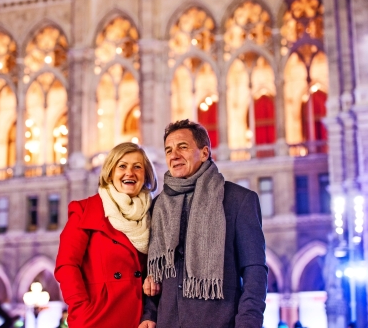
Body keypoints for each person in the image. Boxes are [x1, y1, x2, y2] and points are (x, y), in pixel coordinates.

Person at [140, 119, 267, 328]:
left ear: (205, 153)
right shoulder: (158, 206)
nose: (174, 155)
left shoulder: (239, 200)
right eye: (169, 150)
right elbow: (154, 274)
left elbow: (255, 270)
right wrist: (149, 314)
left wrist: (248, 323)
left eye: (183, 147)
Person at [55, 142, 158, 327]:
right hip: (97, 318)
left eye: (137, 167)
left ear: (146, 175)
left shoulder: (153, 214)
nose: (130, 173)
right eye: (122, 166)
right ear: (110, 173)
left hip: (138, 320)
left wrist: (149, 312)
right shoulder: (85, 210)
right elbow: (66, 265)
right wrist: (82, 309)